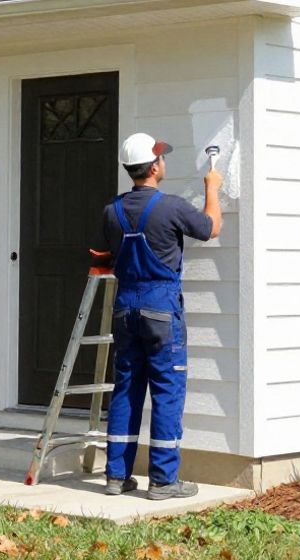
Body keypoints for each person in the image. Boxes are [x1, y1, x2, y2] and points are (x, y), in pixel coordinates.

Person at [100, 132, 223, 499]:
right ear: (154, 167)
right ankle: (163, 480)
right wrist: (212, 187)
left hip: (125, 307)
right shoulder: (170, 207)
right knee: (167, 390)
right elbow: (211, 227)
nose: (164, 162)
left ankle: (116, 476)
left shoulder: (112, 211)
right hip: (161, 309)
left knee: (127, 388)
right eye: (162, 158)